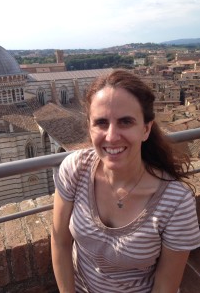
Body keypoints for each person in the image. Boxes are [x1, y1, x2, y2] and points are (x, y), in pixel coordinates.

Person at [51, 69, 200, 293]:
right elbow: (60, 242)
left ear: (146, 129)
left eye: (125, 122)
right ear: (90, 129)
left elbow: (165, 287)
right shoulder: (75, 169)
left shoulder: (176, 203)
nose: (111, 136)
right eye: (101, 123)